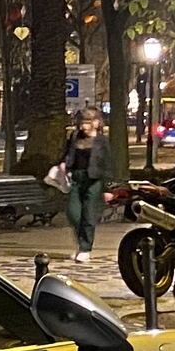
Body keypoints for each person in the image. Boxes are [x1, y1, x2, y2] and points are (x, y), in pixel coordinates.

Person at [59, 107, 114, 262]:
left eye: (88, 122)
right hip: (76, 179)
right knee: (73, 213)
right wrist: (64, 163)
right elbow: (67, 153)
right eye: (82, 122)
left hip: (94, 181)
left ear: (96, 123)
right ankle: (82, 242)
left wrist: (108, 187)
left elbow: (108, 164)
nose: (84, 126)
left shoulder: (102, 141)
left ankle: (85, 248)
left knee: (89, 215)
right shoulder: (75, 136)